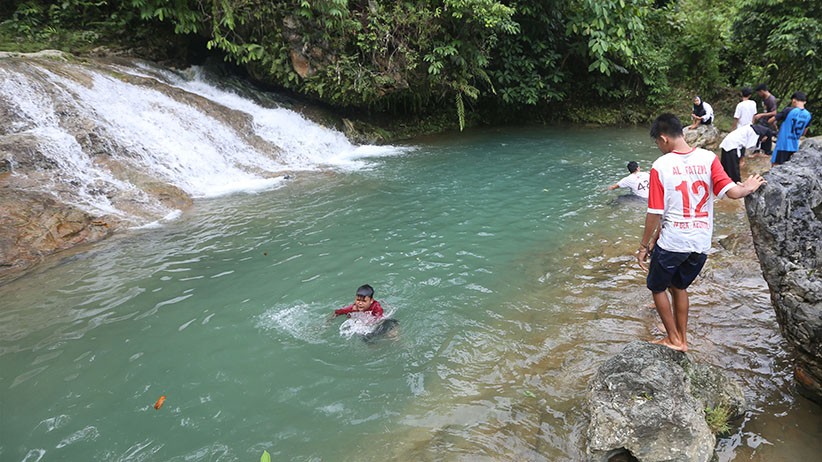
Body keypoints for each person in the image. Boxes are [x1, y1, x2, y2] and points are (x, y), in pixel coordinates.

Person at [637, 114, 766, 352]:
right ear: (682, 133)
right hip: (700, 243)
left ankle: (673, 339)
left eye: (658, 143)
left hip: (674, 242)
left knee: (656, 287)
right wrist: (748, 186)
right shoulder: (708, 158)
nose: (659, 147)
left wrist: (644, 245)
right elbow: (733, 192)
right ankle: (683, 339)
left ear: (664, 139)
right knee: (678, 287)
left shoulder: (660, 166)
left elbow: (655, 211)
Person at [769, 91, 813, 165]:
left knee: (775, 166)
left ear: (793, 100)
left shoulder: (789, 110)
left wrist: (775, 125)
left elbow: (771, 120)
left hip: (783, 145)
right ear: (804, 102)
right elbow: (804, 132)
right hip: (794, 146)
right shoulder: (809, 115)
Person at [752, 83, 778, 155]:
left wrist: (761, 115)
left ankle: (767, 152)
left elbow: (774, 112)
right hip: (764, 120)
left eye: (759, 93)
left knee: (766, 137)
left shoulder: (771, 99)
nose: (759, 95)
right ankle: (759, 150)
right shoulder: (764, 98)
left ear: (762, 91)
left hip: (769, 121)